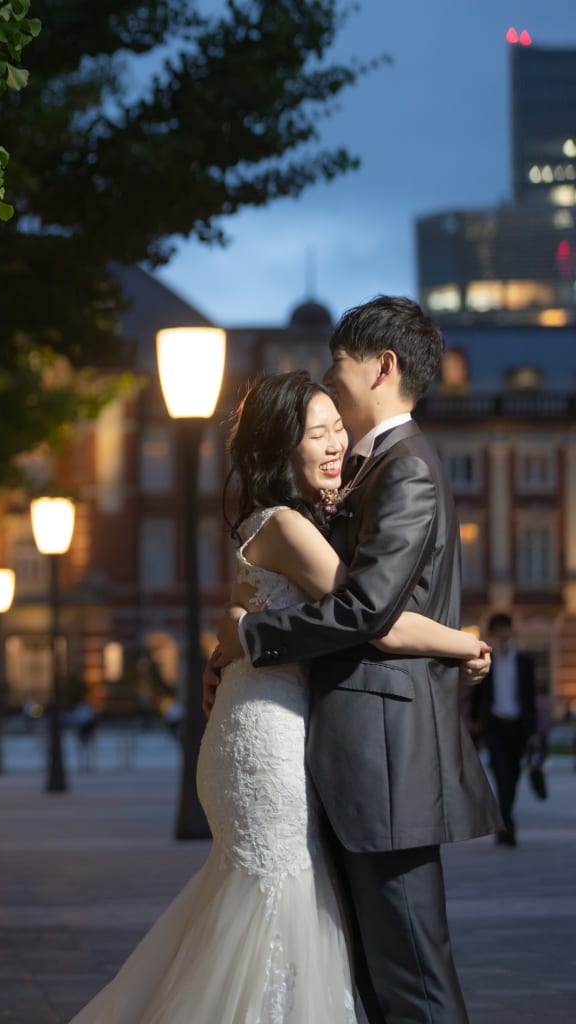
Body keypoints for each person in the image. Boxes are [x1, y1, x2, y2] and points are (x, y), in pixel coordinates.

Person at [70, 369, 489, 1024]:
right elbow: (373, 618)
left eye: (336, 429)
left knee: (269, 901)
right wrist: (466, 642)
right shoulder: (289, 527)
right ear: (279, 450)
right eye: (315, 433)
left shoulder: (287, 523)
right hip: (265, 736)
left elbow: (244, 616)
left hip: (269, 719)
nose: (333, 445)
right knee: (277, 897)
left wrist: (229, 639)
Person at [206, 298, 502, 1024]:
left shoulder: (406, 470)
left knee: (413, 978)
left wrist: (253, 636)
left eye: (339, 371)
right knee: (380, 976)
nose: (333, 389)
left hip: (387, 761)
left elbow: (366, 608)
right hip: (354, 757)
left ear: (383, 367)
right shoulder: (368, 473)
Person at [469, 612, 537, 846]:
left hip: (518, 727)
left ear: (511, 631)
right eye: (498, 631)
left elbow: (530, 699)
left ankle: (504, 823)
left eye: (505, 629)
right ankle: (507, 825)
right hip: (495, 726)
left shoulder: (525, 662)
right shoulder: (488, 661)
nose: (503, 635)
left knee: (514, 777)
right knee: (502, 777)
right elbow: (477, 694)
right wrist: (475, 720)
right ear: (492, 634)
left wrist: (533, 732)